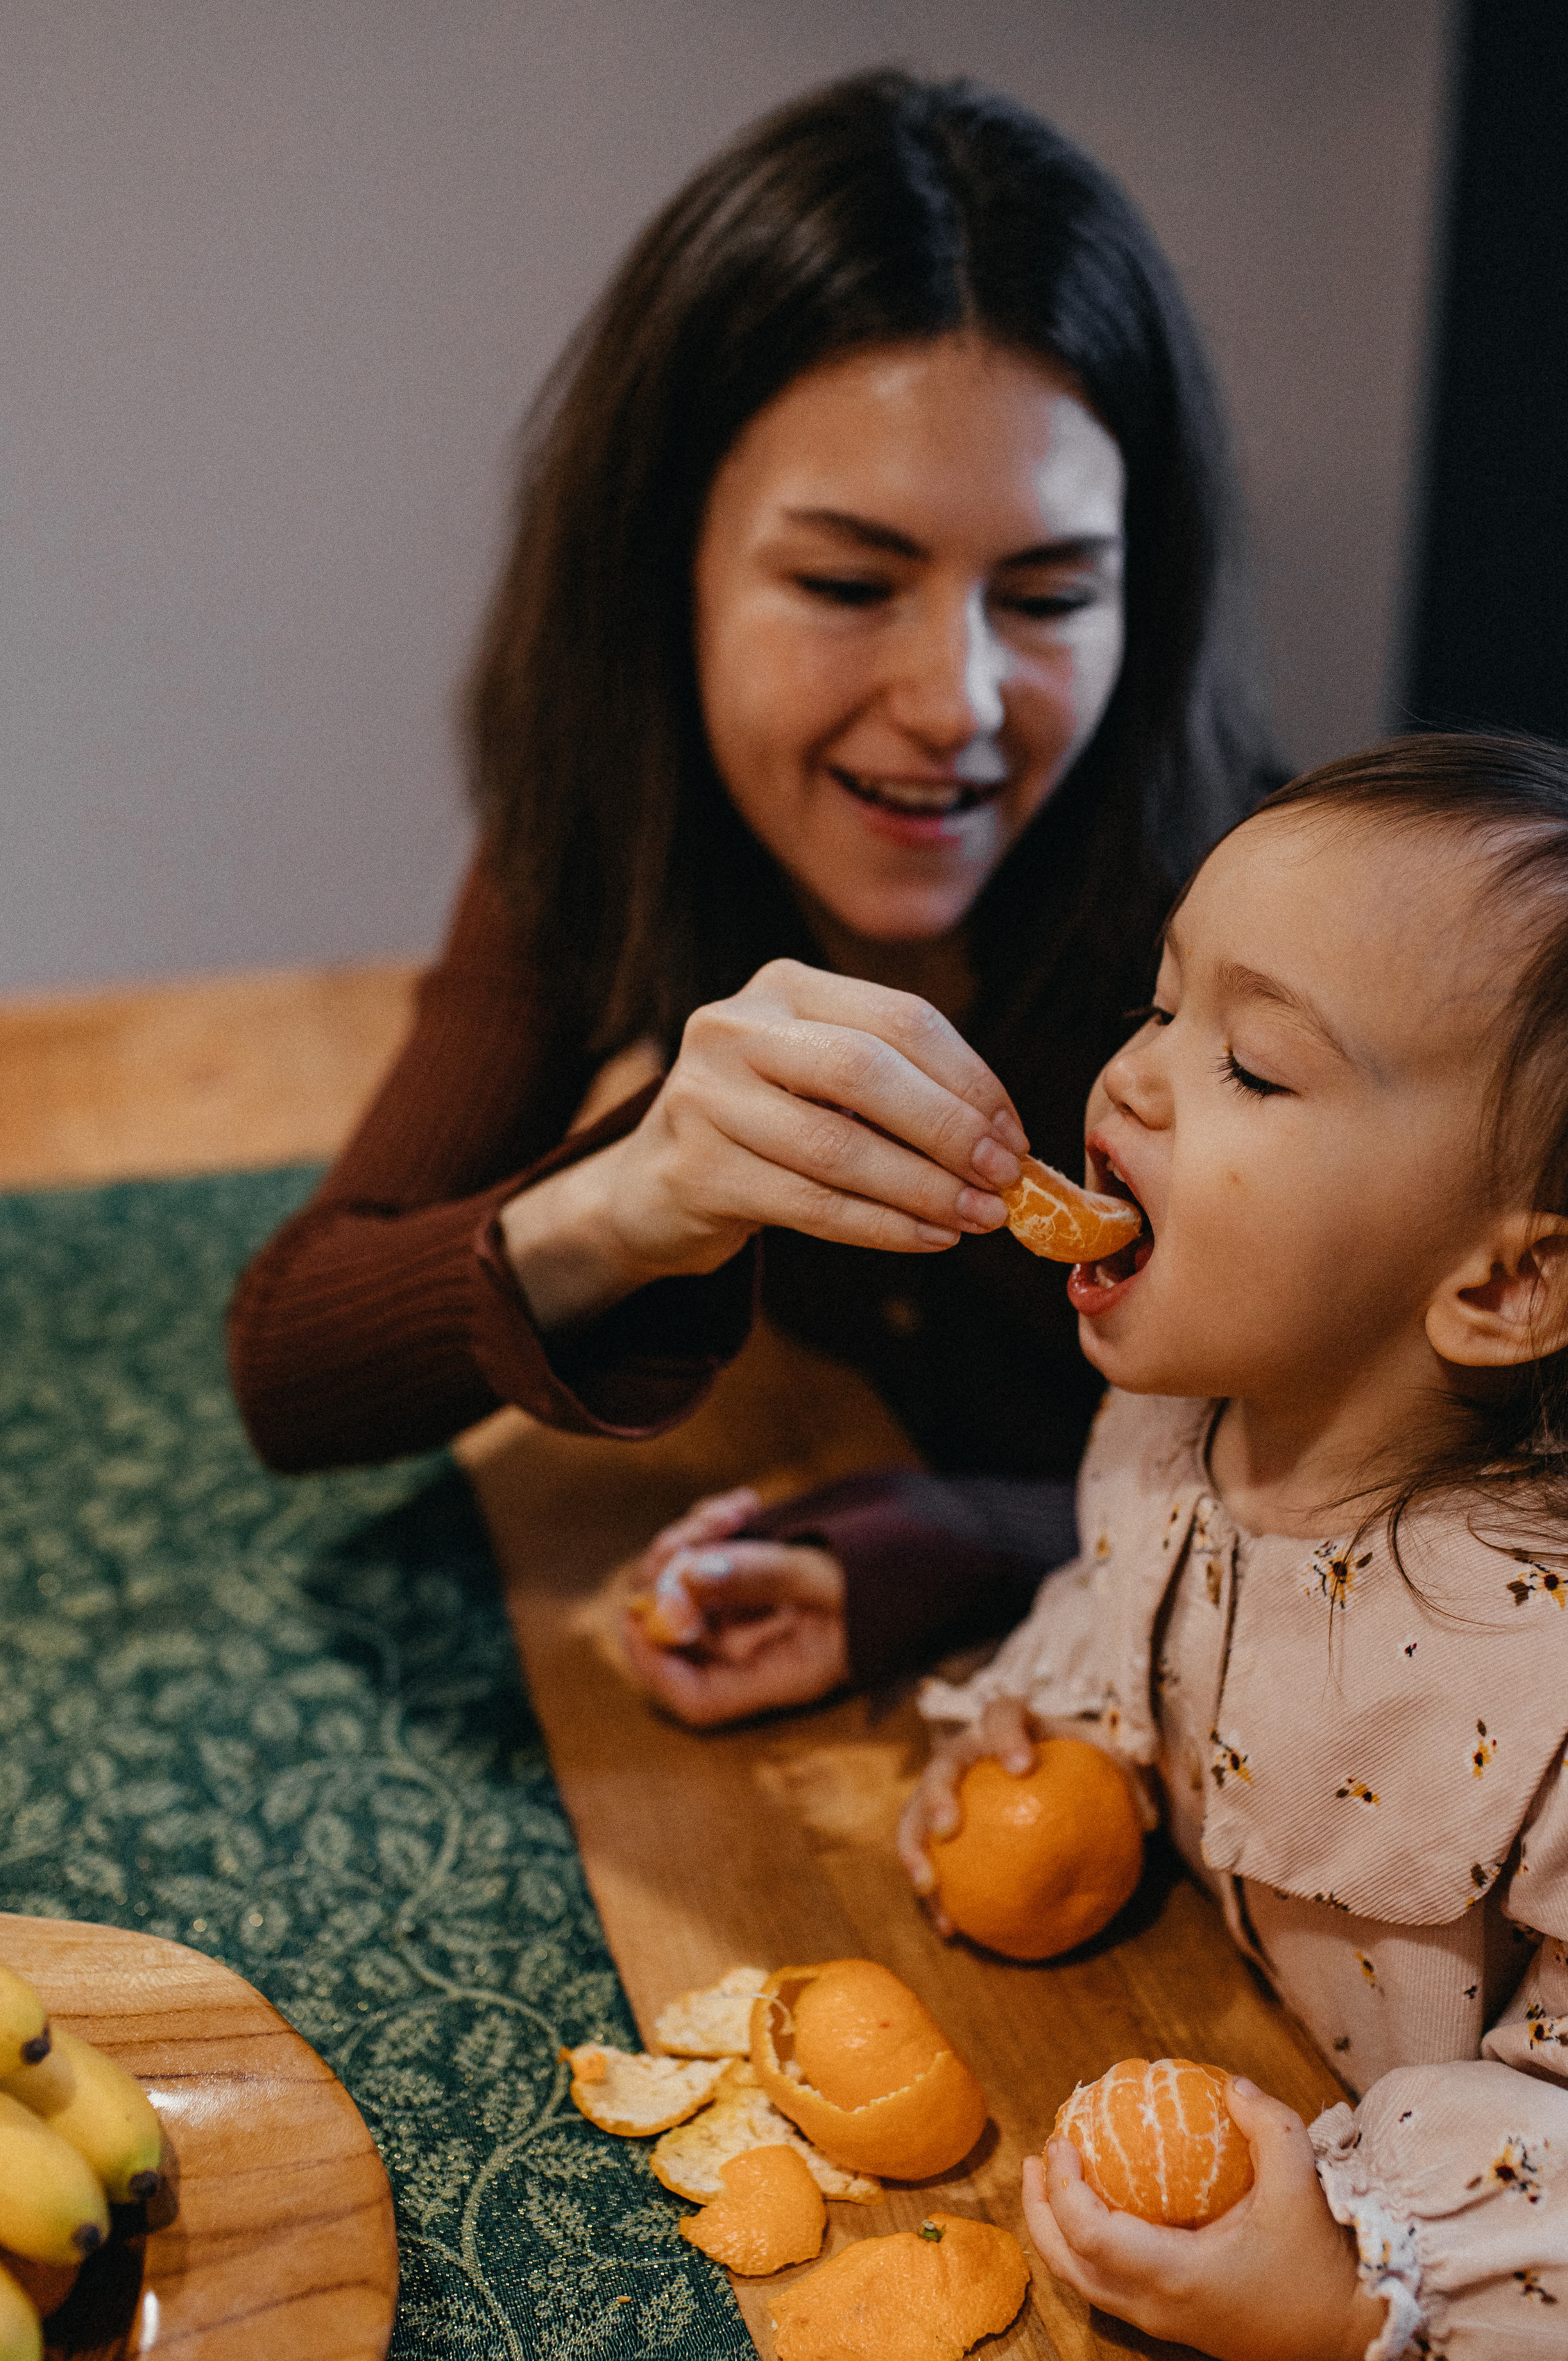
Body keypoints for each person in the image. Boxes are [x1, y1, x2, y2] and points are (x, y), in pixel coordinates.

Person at [227, 69, 1281, 1722]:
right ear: (668, 570)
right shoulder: (612, 822)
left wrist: (953, 1537)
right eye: (849, 583)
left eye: (1049, 596)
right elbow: (294, 1365)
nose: (954, 703)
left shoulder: (1263, 940)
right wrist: (637, 1192)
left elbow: (1380, 1513)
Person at [901, 735, 1568, 2361]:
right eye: (1162, 1002)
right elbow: (1132, 1610)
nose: (1129, 1077)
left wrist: (1361, 2268)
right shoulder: (1191, 1424)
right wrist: (1062, 1748)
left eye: (1251, 1064)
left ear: (1507, 1286)